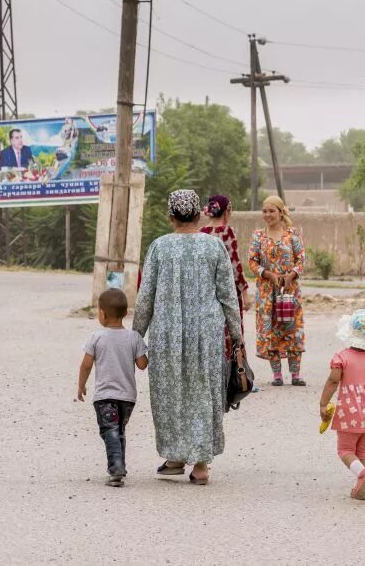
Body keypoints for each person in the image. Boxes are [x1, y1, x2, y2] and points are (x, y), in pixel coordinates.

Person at [134, 189, 242, 485]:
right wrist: (237, 335)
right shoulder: (214, 246)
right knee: (204, 393)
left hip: (168, 334)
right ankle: (200, 464)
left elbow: (146, 297)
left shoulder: (160, 247)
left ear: (170, 217)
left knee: (171, 394)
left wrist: (135, 337)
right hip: (207, 335)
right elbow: (228, 295)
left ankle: (176, 455)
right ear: (199, 215)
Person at [77, 288, 149, 487]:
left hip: (104, 397)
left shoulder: (96, 337)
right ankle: (119, 467)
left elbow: (86, 364)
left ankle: (116, 466)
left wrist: (81, 385)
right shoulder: (134, 338)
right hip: (127, 398)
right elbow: (143, 365)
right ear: (126, 313)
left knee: (109, 430)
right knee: (119, 430)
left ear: (101, 313)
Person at [318, 309, 365, 500]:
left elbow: (333, 381)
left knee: (345, 450)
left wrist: (323, 403)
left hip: (350, 409)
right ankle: (362, 487)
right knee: (364, 449)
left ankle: (363, 474)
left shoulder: (342, 357)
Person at [247, 195, 308, 386]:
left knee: (292, 328)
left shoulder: (292, 234)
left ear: (281, 213)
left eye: (272, 211)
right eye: (264, 211)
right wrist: (267, 274)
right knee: (272, 330)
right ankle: (277, 375)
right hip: (267, 293)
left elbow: (301, 259)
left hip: (289, 291)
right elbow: (252, 262)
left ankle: (295, 375)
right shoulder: (259, 236)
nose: (267, 215)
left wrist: (291, 275)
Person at [200, 194, 250, 362]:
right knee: (233, 328)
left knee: (214, 331)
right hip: (229, 291)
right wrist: (245, 292)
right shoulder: (227, 232)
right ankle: (238, 373)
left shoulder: (202, 233)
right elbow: (235, 264)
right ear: (227, 211)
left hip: (208, 291)